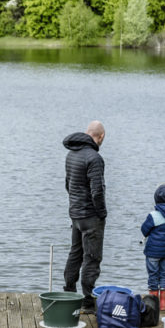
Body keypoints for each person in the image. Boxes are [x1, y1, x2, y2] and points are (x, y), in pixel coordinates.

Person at [62, 120, 106, 302]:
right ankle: (88, 299)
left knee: (75, 253)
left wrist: (75, 204)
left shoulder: (71, 155)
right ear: (101, 136)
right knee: (92, 257)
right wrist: (102, 213)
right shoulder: (94, 158)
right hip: (90, 216)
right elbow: (97, 191)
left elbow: (68, 185)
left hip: (75, 213)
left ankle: (69, 292)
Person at [139, 184, 165, 310]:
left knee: (153, 276)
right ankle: (163, 304)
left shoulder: (153, 215)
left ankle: (153, 305)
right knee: (164, 275)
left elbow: (144, 230)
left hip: (153, 253)